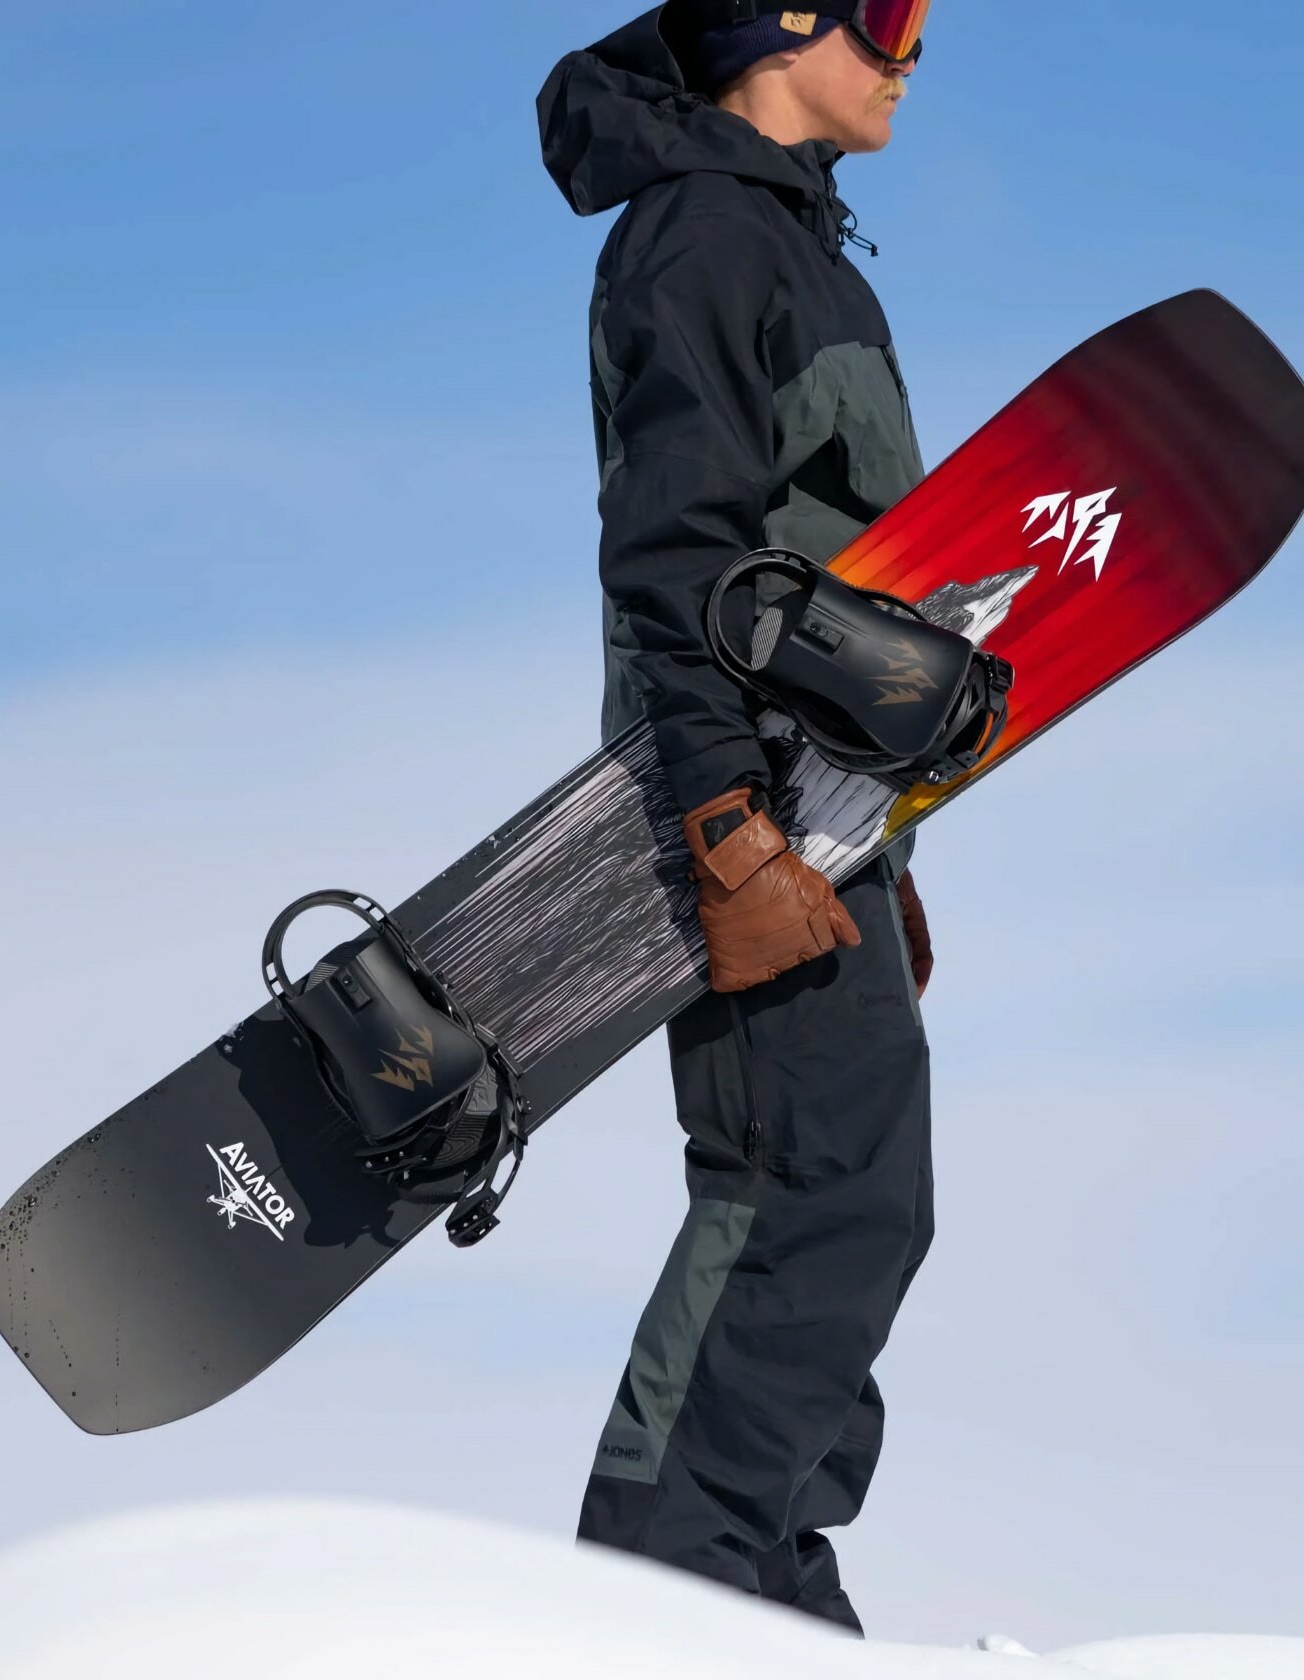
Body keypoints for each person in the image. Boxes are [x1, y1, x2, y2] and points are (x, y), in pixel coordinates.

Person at [537, 0, 936, 1634]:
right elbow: (676, 552)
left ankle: (768, 1586)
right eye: (891, 14)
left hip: (824, 817)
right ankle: (669, 1586)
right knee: (795, 1189)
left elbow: (843, 582)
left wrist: (891, 830)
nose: (914, 51)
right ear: (781, 23)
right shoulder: (701, 234)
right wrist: (725, 825)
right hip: (745, 808)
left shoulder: (808, 252)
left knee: (863, 1205)